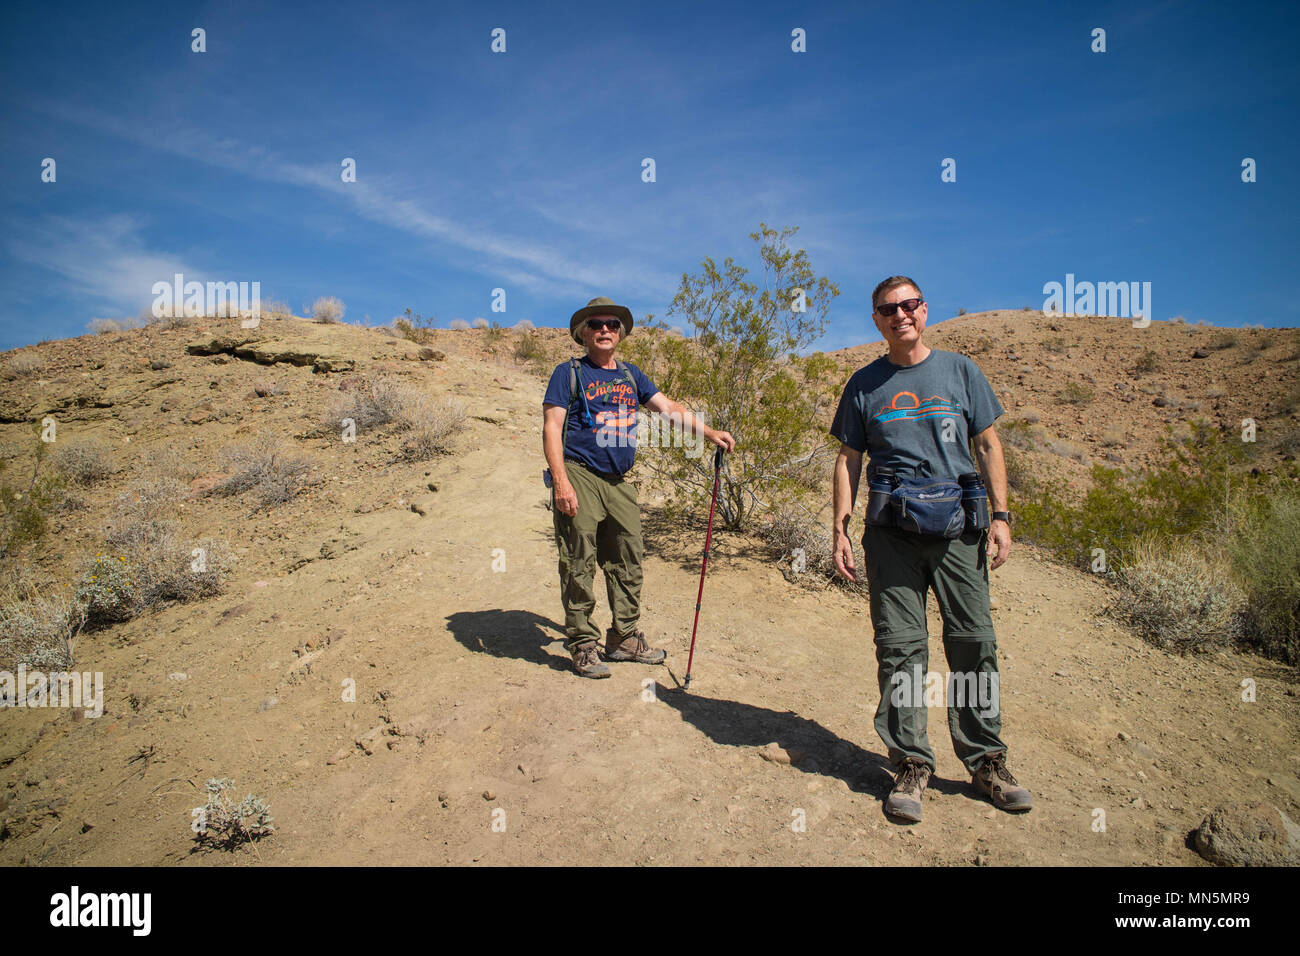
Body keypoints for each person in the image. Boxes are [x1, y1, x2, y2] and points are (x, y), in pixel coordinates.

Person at [829, 276, 1032, 822]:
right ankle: (911, 763)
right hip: (891, 536)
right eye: (888, 309)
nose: (901, 315)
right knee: (900, 650)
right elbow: (849, 459)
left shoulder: (961, 371)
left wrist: (1002, 518)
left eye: (910, 305)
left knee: (974, 643)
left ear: (925, 309)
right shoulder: (864, 384)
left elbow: (988, 443)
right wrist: (840, 528)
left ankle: (986, 760)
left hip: (959, 531)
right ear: (876, 320)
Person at [543, 296, 735, 678]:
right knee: (579, 558)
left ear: (621, 332)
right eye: (596, 324)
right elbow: (551, 427)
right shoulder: (569, 373)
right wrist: (561, 481)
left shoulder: (631, 375)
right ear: (583, 333)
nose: (604, 330)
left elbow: (668, 408)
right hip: (580, 473)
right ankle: (582, 643)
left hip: (619, 481)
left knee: (628, 558)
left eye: (612, 324)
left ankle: (623, 638)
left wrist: (709, 432)